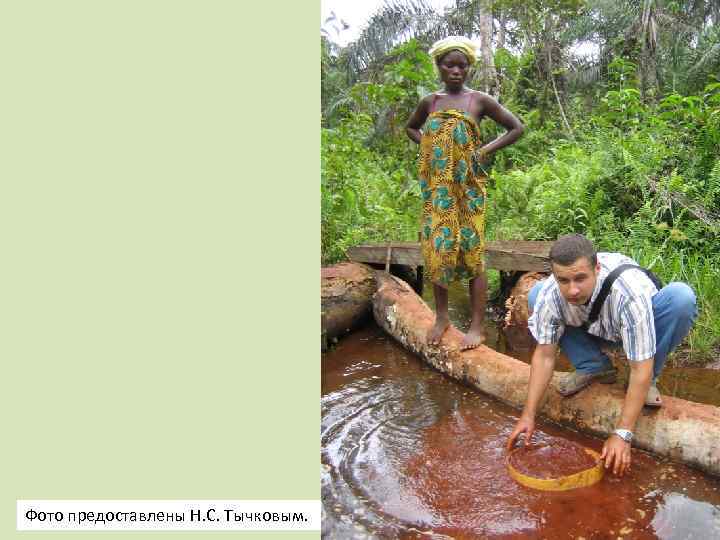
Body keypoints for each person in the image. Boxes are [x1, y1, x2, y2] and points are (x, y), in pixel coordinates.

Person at [507, 233, 697, 476]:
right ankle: (594, 366)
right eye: (563, 280)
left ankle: (648, 384)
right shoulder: (553, 294)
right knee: (537, 295)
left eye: (580, 278)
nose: (572, 290)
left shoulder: (628, 293)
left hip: (642, 329)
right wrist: (527, 415)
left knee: (681, 297)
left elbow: (640, 366)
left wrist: (622, 434)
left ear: (596, 269)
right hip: (596, 327)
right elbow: (545, 356)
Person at [405, 36, 524, 350]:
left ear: (469, 67)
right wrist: (432, 149)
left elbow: (516, 128)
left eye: (462, 65)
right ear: (439, 67)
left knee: (473, 254)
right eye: (449, 65)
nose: (456, 71)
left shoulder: (479, 101)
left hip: (469, 189)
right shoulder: (429, 102)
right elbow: (411, 127)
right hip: (437, 190)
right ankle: (442, 317)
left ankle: (476, 326)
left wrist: (483, 150)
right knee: (438, 248)